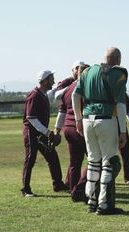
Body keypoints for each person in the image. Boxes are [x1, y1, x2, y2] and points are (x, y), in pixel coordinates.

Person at [72, 47, 127, 215]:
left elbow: (75, 95)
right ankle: (104, 205)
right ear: (117, 59)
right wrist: (123, 130)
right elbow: (120, 104)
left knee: (93, 162)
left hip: (88, 119)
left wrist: (78, 119)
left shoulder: (87, 71)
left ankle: (91, 201)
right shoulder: (118, 74)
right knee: (108, 163)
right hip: (106, 119)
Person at [21, 70, 66, 197]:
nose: (53, 81)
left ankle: (58, 184)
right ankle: (25, 189)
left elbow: (52, 92)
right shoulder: (34, 95)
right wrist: (48, 132)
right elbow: (31, 118)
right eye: (51, 79)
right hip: (32, 133)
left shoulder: (43, 93)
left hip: (40, 134)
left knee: (52, 156)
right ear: (45, 80)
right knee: (30, 159)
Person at [54, 63, 90, 202]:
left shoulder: (67, 89)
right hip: (79, 127)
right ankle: (81, 189)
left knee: (75, 162)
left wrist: (57, 130)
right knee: (93, 160)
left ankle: (73, 189)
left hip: (67, 128)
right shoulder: (85, 88)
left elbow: (62, 111)